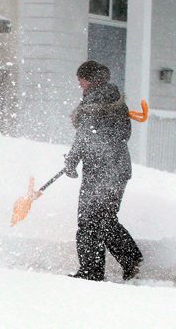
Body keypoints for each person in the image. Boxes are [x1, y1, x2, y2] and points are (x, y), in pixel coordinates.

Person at [65, 60, 143, 281]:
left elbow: (85, 136)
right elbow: (123, 134)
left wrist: (71, 160)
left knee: (89, 220)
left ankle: (91, 271)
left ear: (88, 80)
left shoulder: (94, 101)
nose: (80, 85)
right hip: (118, 168)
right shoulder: (116, 98)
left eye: (80, 81)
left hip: (101, 170)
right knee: (104, 218)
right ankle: (130, 259)